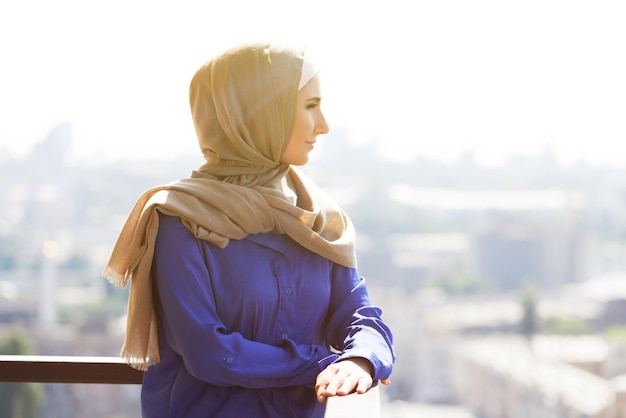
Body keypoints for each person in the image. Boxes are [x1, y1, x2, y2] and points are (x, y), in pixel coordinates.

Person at [103, 41, 395, 418]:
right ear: (259, 115)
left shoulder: (318, 219)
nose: (323, 125)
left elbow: (359, 316)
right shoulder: (181, 220)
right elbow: (210, 353)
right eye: (309, 106)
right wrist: (320, 363)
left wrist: (361, 360)